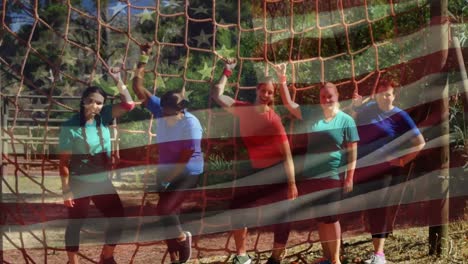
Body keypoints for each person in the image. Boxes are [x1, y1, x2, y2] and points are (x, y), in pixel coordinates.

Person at [211, 59, 298, 264]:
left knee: (282, 214)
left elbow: (287, 154)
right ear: (257, 90)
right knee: (237, 208)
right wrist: (227, 71)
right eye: (263, 90)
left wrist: (292, 183)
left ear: (272, 96)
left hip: (276, 173)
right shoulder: (243, 109)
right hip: (254, 171)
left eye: (270, 92)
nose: (266, 94)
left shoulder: (273, 120)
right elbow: (216, 94)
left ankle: (277, 256)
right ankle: (242, 256)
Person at [131, 42, 203, 264]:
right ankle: (174, 258)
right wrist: (143, 58)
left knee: (166, 207)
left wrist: (165, 181)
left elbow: (184, 159)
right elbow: (137, 87)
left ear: (182, 110)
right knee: (164, 215)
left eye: (173, 113)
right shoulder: (161, 110)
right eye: (166, 113)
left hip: (188, 171)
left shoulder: (191, 124)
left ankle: (183, 238)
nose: (168, 117)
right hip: (167, 169)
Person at [59, 69, 135, 264]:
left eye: (99, 102)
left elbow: (129, 104)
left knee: (118, 217)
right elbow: (64, 162)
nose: (94, 105)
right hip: (79, 183)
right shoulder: (70, 126)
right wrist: (66, 190)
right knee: (76, 223)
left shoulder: (104, 117)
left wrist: (118, 79)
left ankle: (106, 256)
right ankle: (72, 262)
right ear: (83, 101)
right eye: (91, 100)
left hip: (102, 181)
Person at [279, 78, 359, 264]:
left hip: (332, 176)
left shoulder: (346, 120)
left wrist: (349, 178)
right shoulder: (312, 114)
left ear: (337, 96)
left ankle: (336, 259)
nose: (326, 99)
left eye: (329, 96)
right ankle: (327, 256)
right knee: (321, 219)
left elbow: (352, 153)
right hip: (311, 176)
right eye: (323, 96)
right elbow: (289, 104)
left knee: (331, 218)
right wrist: (283, 81)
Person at [352, 80, 425, 264]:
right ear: (376, 95)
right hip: (364, 167)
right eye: (381, 93)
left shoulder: (399, 115)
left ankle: (380, 254)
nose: (385, 97)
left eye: (388, 94)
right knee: (370, 208)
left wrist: (402, 160)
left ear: (394, 95)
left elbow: (420, 142)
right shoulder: (367, 109)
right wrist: (355, 107)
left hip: (385, 170)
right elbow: (352, 124)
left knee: (380, 207)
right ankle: (373, 253)